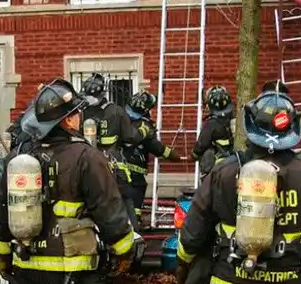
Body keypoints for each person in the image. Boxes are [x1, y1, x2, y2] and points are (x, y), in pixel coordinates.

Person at [175, 87, 301, 284]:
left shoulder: (223, 173)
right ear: (293, 128)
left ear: (249, 126)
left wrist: (183, 273)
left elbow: (191, 237)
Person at [0, 78, 140, 284]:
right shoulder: (87, 158)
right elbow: (110, 213)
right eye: (77, 113)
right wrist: (125, 253)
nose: (80, 117)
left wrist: (4, 256)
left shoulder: (18, 159)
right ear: (69, 120)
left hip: (29, 272)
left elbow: (1, 215)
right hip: (76, 273)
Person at [79, 73, 147, 229]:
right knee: (124, 201)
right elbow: (131, 136)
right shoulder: (116, 111)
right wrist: (144, 130)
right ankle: (132, 234)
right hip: (114, 166)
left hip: (87, 164)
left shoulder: (81, 112)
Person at [122, 90, 184, 229]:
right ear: (145, 111)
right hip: (134, 180)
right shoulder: (144, 127)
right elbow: (157, 148)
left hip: (116, 175)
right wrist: (177, 157)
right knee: (133, 213)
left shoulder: (120, 120)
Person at [192, 85, 236, 180]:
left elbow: (200, 146)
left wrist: (193, 155)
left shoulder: (211, 124)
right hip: (235, 164)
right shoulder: (236, 119)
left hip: (215, 170)